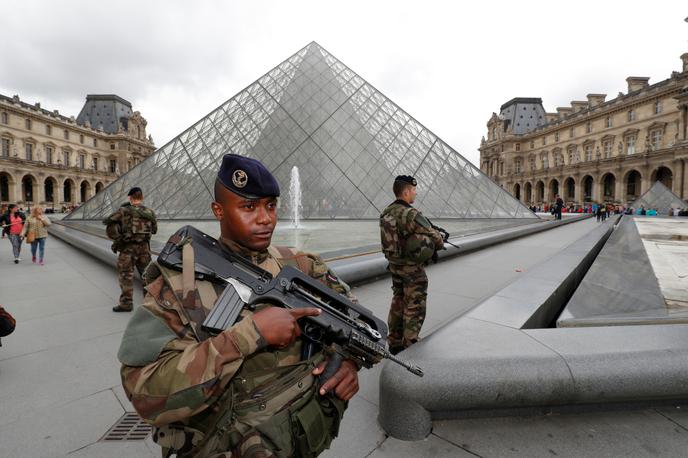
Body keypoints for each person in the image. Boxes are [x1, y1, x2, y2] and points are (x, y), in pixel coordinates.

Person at [117, 154, 360, 457]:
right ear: (218, 211)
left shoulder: (302, 266)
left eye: (270, 206)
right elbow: (143, 392)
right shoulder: (180, 285)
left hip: (296, 435)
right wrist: (249, 334)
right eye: (249, 207)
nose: (265, 218)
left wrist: (347, 363)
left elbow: (359, 325)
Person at [379, 175, 444, 356]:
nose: (415, 193)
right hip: (412, 269)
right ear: (406, 191)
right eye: (414, 190)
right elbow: (435, 238)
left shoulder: (386, 212)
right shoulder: (410, 214)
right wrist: (440, 239)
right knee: (414, 304)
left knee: (398, 301)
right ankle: (411, 343)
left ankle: (394, 341)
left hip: (394, 265)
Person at [103, 187, 157, 312]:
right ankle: (150, 304)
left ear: (130, 198)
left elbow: (108, 224)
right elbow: (154, 230)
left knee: (126, 276)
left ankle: (126, 304)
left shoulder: (123, 210)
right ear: (142, 197)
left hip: (127, 250)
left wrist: (118, 237)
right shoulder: (150, 212)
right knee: (147, 276)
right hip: (144, 249)